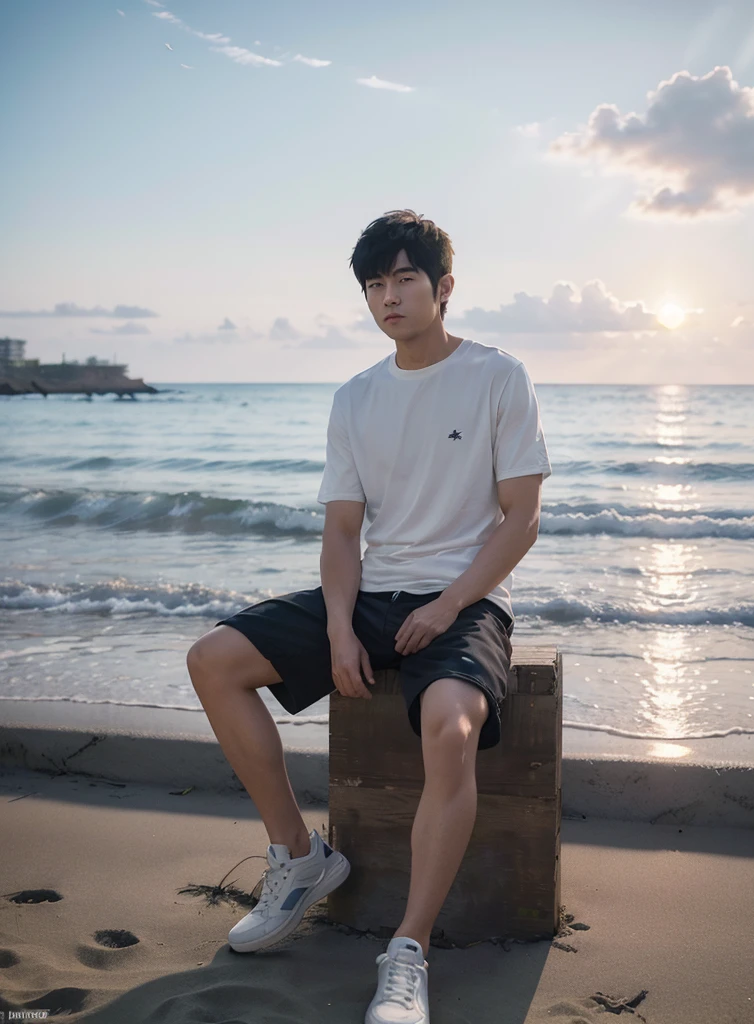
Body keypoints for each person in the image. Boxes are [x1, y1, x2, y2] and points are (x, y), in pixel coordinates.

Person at [186, 208, 553, 1024]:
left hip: (463, 602)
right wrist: (338, 627)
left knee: (451, 727)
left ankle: (408, 950)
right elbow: (343, 529)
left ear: (443, 287)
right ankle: (300, 856)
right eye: (374, 285)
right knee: (213, 660)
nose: (388, 296)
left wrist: (451, 602)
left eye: (404, 279)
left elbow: (519, 519)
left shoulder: (499, 376)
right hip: (373, 595)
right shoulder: (355, 397)